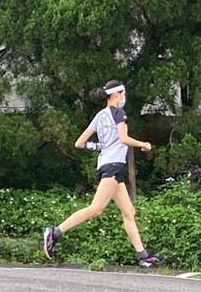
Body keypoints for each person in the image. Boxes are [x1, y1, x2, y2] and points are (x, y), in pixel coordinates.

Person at [42, 79, 164, 268]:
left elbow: (79, 143)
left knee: (129, 212)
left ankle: (143, 256)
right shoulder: (119, 113)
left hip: (108, 165)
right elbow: (123, 139)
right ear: (116, 94)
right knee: (96, 209)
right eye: (123, 93)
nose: (125, 96)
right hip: (113, 166)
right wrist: (143, 144)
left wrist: (100, 146)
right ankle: (55, 233)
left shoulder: (100, 115)